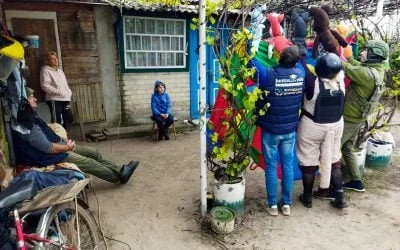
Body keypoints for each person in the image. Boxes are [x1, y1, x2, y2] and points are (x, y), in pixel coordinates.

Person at [12, 87, 139, 184]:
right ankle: (118, 178)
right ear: (24, 103)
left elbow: (50, 135)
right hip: (50, 156)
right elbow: (48, 148)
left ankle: (121, 170)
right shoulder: (28, 126)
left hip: (59, 147)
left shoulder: (31, 116)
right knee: (89, 163)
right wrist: (67, 147)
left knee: (93, 152)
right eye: (31, 97)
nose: (35, 99)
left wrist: (65, 141)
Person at [251, 45, 306, 216]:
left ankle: (273, 205)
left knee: (271, 167)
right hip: (289, 130)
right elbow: (301, 63)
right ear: (295, 61)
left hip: (270, 132)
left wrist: (248, 47)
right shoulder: (301, 74)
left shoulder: (268, 74)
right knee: (288, 166)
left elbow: (252, 64)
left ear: (279, 58)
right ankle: (287, 204)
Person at [297, 53, 348, 209]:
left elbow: (304, 68)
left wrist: (301, 57)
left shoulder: (312, 83)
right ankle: (339, 197)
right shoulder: (341, 82)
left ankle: (307, 197)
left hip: (312, 126)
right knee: (334, 161)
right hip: (336, 125)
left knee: (308, 163)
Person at [341, 40, 389, 192]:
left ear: (374, 55)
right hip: (358, 118)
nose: (361, 52)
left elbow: (346, 68)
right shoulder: (378, 71)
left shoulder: (367, 75)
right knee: (348, 148)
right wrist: (349, 57)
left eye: (365, 51)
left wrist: (336, 53)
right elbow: (358, 67)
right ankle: (356, 181)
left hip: (350, 118)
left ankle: (330, 187)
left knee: (331, 150)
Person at [40, 51, 73, 130]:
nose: (56, 60)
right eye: (52, 59)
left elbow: (65, 84)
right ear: (48, 61)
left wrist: (68, 92)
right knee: (57, 120)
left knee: (69, 118)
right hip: (54, 99)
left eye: (56, 58)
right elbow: (45, 86)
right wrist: (59, 92)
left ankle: (64, 136)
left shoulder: (60, 71)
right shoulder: (45, 70)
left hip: (65, 98)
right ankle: (58, 138)